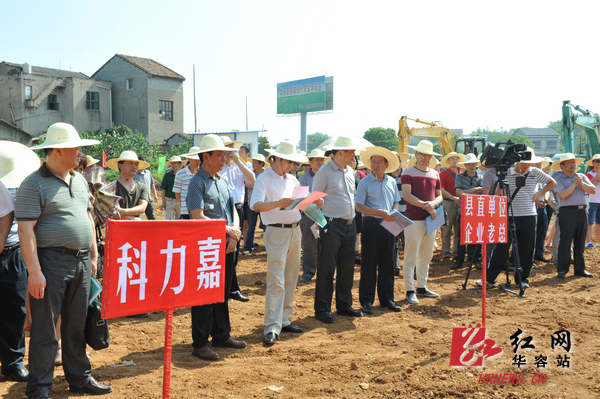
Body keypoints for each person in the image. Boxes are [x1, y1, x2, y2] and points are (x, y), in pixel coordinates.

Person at [15, 122, 113, 398]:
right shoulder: (33, 184)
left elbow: (88, 217)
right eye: (76, 147)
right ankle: (40, 387)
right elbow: (25, 230)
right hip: (50, 262)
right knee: (46, 329)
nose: (80, 152)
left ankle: (79, 377)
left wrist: (93, 255)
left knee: (76, 324)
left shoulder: (80, 180)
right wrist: (34, 271)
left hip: (81, 263)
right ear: (58, 149)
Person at [185, 135, 247, 361]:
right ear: (205, 156)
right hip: (206, 248)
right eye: (219, 154)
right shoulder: (196, 182)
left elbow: (234, 212)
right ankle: (200, 343)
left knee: (222, 292)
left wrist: (235, 233)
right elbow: (197, 217)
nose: (224, 158)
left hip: (228, 245)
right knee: (203, 295)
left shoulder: (222, 181)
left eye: (224, 154)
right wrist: (227, 230)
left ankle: (221, 335)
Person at [251, 141, 316, 345]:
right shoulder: (264, 178)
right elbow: (256, 205)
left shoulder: (293, 180)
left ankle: (285, 320)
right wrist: (278, 203)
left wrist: (314, 203)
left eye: (294, 163)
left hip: (295, 230)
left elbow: (302, 205)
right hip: (276, 232)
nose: (292, 166)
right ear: (277, 159)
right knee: (276, 279)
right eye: (289, 162)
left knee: (290, 278)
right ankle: (272, 325)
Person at [477, 149, 557, 289]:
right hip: (508, 215)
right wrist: (500, 193)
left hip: (529, 215)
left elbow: (552, 183)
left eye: (529, 163)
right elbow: (497, 193)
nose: (526, 166)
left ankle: (522, 279)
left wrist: (538, 193)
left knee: (526, 249)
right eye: (523, 163)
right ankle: (490, 279)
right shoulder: (506, 172)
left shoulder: (535, 172)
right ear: (517, 162)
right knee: (500, 248)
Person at [312, 136, 365, 323]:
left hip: (350, 225)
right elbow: (313, 203)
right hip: (330, 224)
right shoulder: (324, 172)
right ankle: (322, 309)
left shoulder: (351, 171)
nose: (354, 155)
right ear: (341, 152)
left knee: (347, 267)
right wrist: (322, 226)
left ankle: (344, 305)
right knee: (327, 267)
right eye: (351, 152)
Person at [355, 146, 402, 314]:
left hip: (389, 225)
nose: (375, 165)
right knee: (368, 264)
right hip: (371, 225)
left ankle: (387, 299)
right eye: (373, 162)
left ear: (386, 164)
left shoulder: (391, 182)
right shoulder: (364, 183)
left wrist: (394, 211)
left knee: (388, 263)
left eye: (379, 162)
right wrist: (377, 212)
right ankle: (366, 301)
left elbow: (397, 201)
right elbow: (359, 206)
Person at [401, 140, 443, 304]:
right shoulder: (407, 172)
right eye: (421, 154)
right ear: (416, 154)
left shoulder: (435, 174)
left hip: (431, 218)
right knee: (411, 256)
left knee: (426, 255)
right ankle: (410, 290)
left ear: (431, 156)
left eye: (427, 155)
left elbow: (439, 195)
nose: (424, 157)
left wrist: (433, 204)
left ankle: (422, 287)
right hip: (414, 219)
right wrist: (427, 206)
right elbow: (407, 195)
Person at [220, 137, 256, 302]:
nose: (229, 151)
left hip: (238, 209)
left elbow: (252, 181)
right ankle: (224, 288)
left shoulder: (240, 165)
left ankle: (232, 289)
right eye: (226, 148)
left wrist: (238, 161)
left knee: (235, 248)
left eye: (231, 148)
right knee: (223, 248)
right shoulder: (217, 166)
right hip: (222, 209)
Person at [553, 153, 595, 279]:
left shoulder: (581, 177)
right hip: (567, 211)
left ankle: (580, 269)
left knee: (580, 241)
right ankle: (562, 269)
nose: (573, 165)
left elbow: (592, 190)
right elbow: (563, 195)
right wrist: (575, 184)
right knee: (565, 241)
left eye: (574, 162)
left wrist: (581, 183)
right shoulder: (558, 179)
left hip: (582, 211)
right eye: (569, 163)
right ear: (562, 166)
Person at [298, 149, 328, 282]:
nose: (320, 162)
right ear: (310, 162)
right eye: (317, 160)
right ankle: (309, 271)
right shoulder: (304, 177)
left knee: (325, 244)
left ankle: (324, 271)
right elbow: (300, 198)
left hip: (325, 215)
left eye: (322, 160)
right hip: (309, 215)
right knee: (309, 245)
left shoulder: (327, 175)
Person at [452, 154, 483, 270]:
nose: (471, 166)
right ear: (465, 165)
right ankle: (459, 260)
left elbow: (482, 192)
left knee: (476, 236)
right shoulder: (459, 177)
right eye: (469, 164)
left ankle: (475, 259)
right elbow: (458, 193)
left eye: (473, 164)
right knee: (462, 236)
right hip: (463, 211)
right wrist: (475, 190)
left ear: (476, 165)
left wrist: (465, 192)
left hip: (477, 211)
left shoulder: (480, 178)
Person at [107, 151, 149, 221]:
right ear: (120, 165)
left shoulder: (142, 187)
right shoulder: (111, 188)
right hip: (118, 230)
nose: (134, 166)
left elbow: (142, 208)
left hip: (137, 229)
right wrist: (134, 219)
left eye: (136, 164)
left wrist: (122, 212)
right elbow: (113, 214)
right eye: (130, 163)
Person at [439, 152, 465, 261]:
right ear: (448, 161)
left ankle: (455, 252)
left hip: (460, 203)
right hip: (448, 202)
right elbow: (442, 190)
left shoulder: (463, 173)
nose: (455, 160)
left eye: (456, 158)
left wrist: (458, 199)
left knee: (458, 229)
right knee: (447, 229)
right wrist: (455, 199)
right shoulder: (443, 174)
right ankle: (446, 252)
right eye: (452, 159)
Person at [243, 154, 269, 255]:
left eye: (255, 162)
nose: (253, 164)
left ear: (261, 164)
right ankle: (249, 246)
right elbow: (245, 184)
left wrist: (252, 185)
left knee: (266, 226)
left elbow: (264, 187)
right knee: (251, 227)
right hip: (251, 203)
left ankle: (267, 246)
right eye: (253, 162)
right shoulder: (250, 174)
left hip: (263, 205)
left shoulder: (266, 175)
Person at [173, 147, 201, 220]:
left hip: (201, 212)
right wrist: (186, 205)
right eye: (195, 159)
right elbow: (177, 194)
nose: (198, 161)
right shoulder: (180, 174)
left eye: (199, 159)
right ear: (189, 158)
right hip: (186, 212)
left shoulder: (203, 173)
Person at [133, 155, 158, 220]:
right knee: (137, 218)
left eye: (144, 163)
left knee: (152, 218)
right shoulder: (134, 173)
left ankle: (153, 230)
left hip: (148, 199)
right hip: (137, 200)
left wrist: (155, 194)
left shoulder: (148, 173)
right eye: (141, 163)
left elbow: (152, 184)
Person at [584, 154, 600, 248]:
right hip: (591, 201)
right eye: (597, 161)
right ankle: (587, 241)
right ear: (593, 163)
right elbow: (593, 183)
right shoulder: (588, 174)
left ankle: (599, 241)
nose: (599, 163)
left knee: (599, 223)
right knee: (589, 222)